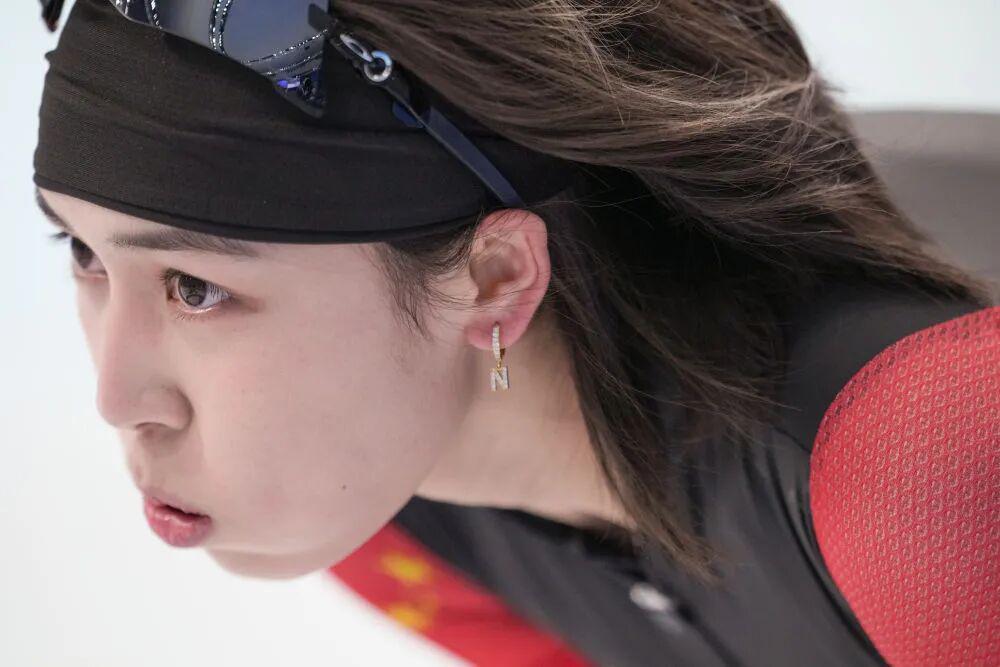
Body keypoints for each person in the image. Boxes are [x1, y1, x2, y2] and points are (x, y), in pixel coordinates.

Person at [31, 1, 998, 665]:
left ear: (495, 282)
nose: (116, 398)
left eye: (197, 287)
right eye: (84, 253)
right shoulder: (381, 509)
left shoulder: (923, 471)